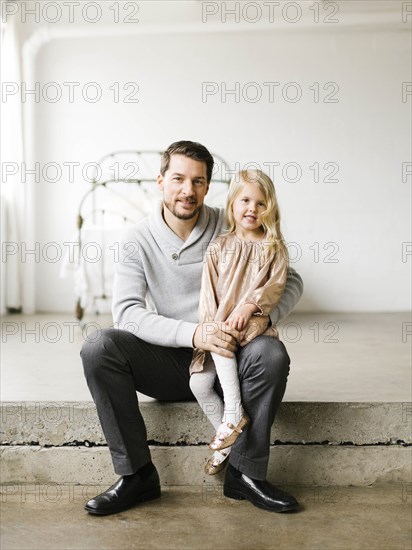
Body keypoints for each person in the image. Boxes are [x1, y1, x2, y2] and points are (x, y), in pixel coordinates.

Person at [80, 141, 303, 516]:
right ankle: (136, 475)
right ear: (160, 181)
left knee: (271, 353)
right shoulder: (138, 239)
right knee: (99, 347)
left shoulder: (231, 220)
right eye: (179, 179)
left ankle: (245, 474)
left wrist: (264, 315)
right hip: (171, 363)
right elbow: (128, 313)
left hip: (231, 358)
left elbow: (290, 279)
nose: (188, 190)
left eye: (198, 181)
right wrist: (194, 335)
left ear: (208, 186)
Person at [190, 169, 289, 476]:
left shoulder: (273, 247)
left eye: (261, 203)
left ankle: (232, 416)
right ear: (232, 204)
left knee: (257, 352)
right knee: (198, 382)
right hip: (220, 331)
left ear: (269, 207)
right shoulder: (219, 246)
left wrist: (250, 305)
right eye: (245, 200)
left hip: (251, 329)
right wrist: (212, 327)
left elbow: (275, 286)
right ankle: (232, 432)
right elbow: (207, 294)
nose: (252, 209)